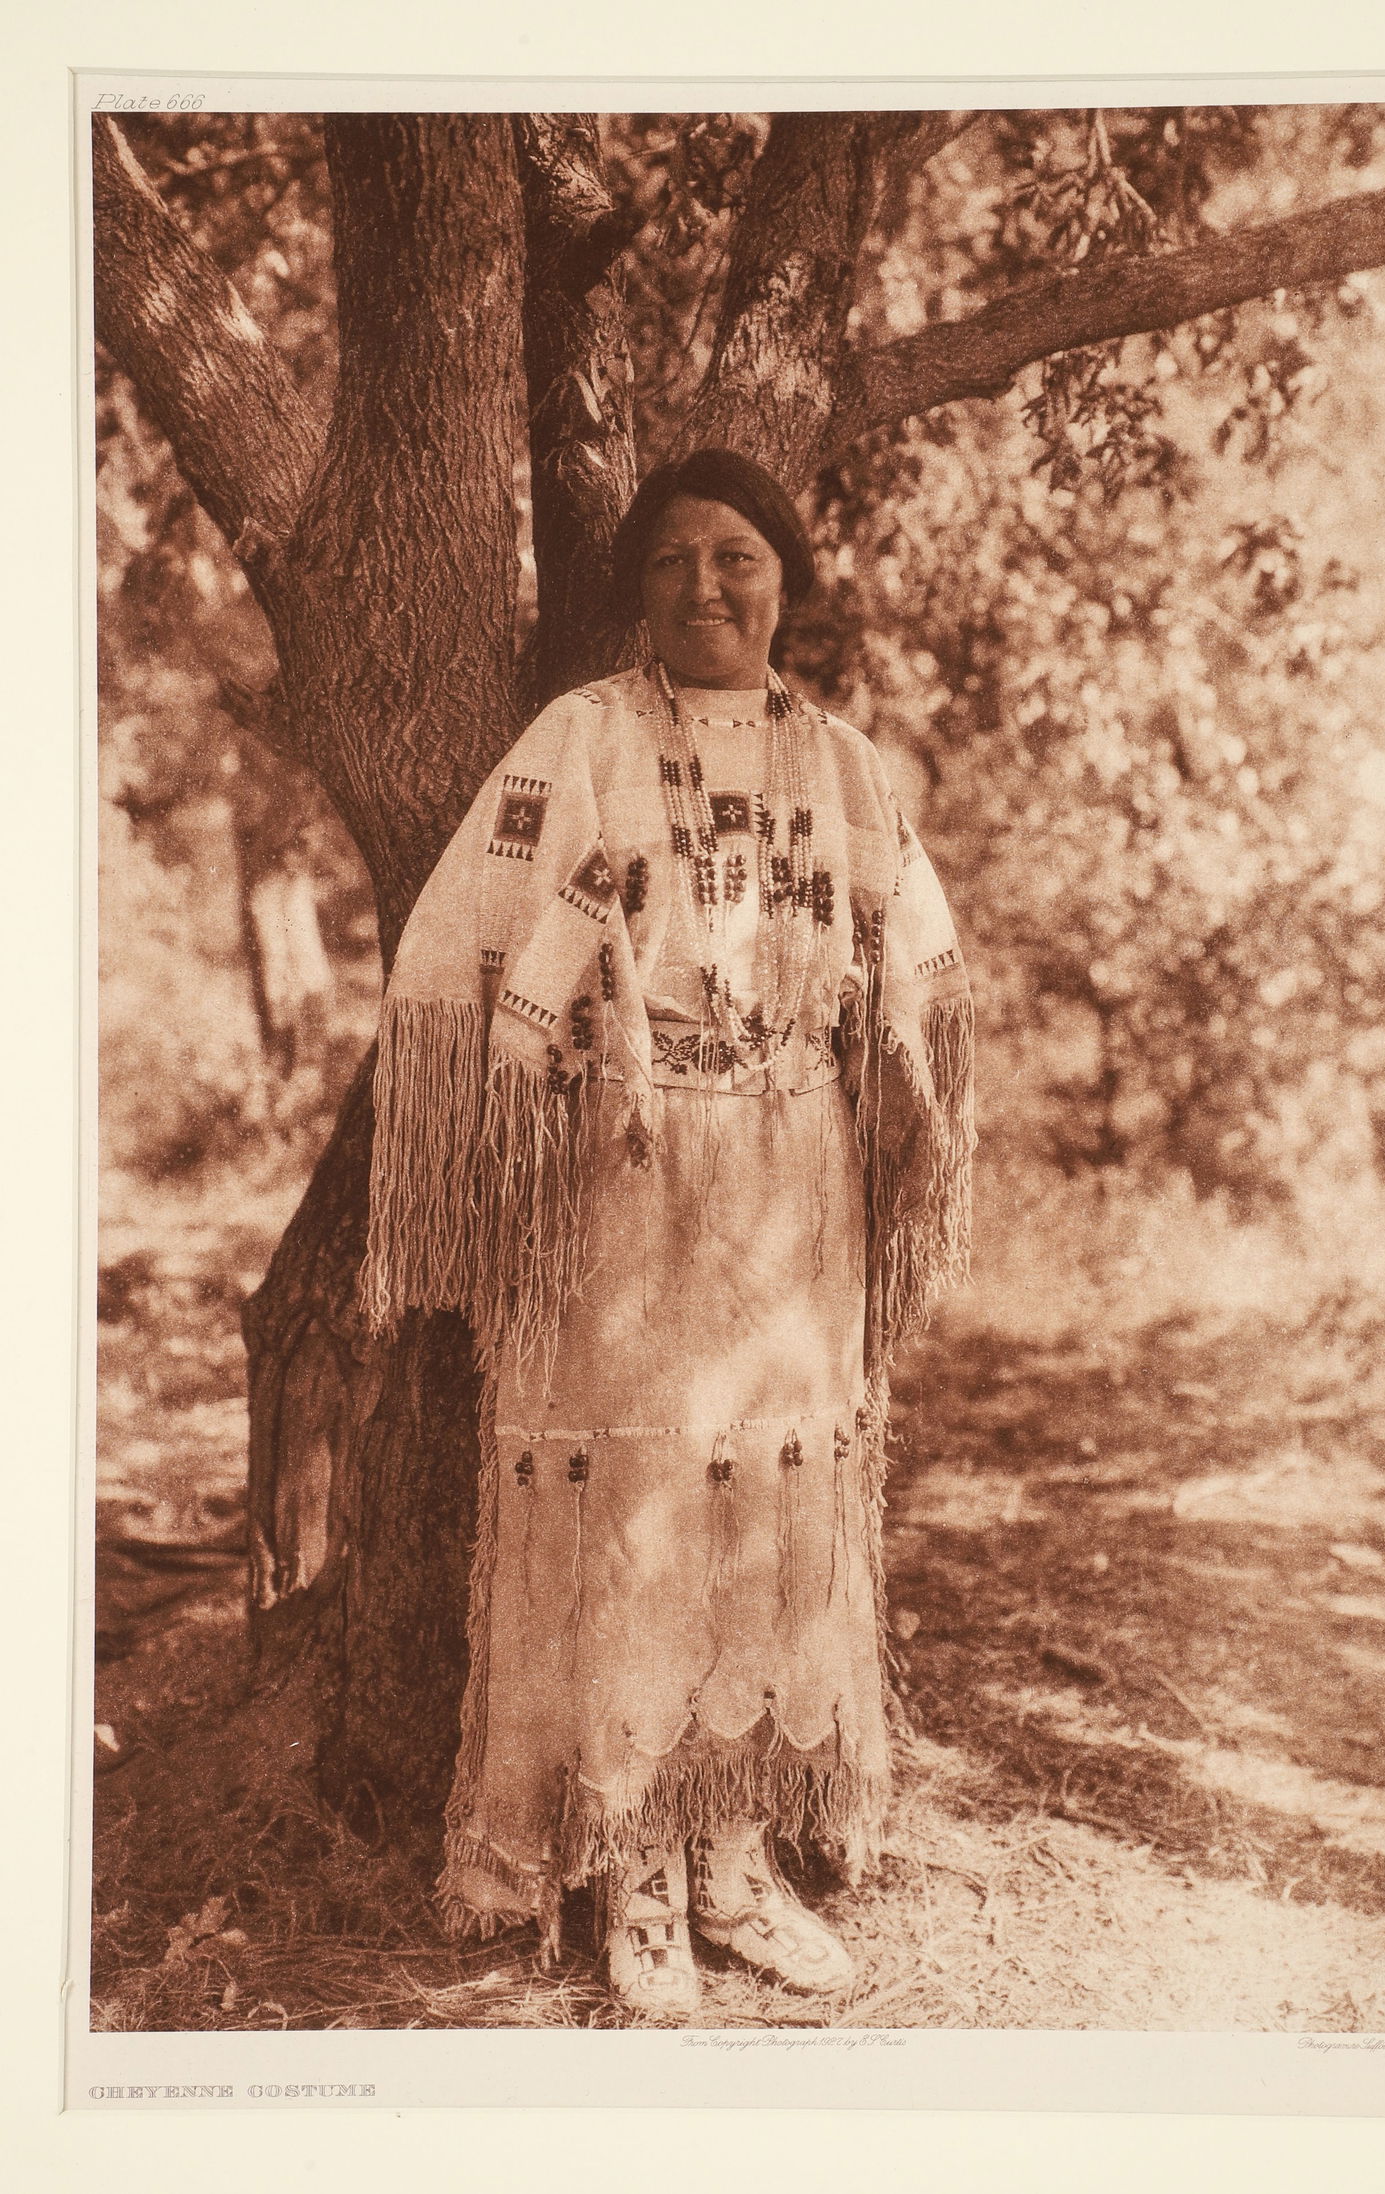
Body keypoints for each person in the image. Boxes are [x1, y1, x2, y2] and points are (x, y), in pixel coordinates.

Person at [361, 448, 974, 2020]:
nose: (708, 586)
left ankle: (743, 1868)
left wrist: (905, 1096)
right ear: (634, 588)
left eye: (740, 558)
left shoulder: (839, 765)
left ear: (788, 580)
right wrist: (519, 1106)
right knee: (634, 1503)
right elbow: (472, 940)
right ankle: (632, 1875)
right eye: (673, 561)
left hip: (791, 1190)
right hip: (623, 1184)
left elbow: (915, 961)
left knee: (774, 1503)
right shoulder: (585, 737)